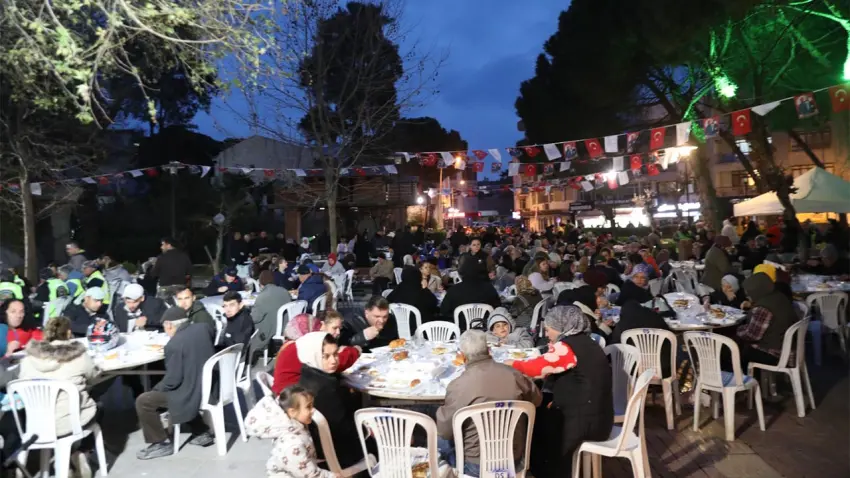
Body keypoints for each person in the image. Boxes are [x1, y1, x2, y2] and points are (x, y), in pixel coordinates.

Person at [507, 306, 613, 477]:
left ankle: (542, 468)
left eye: (548, 330)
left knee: (533, 416)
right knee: (541, 406)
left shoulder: (567, 347)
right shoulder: (586, 341)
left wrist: (510, 364)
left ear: (560, 326)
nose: (547, 334)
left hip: (585, 423)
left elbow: (535, 369)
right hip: (599, 415)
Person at [436, 330, 542, 476]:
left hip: (476, 465)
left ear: (462, 356)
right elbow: (537, 399)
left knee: (439, 440)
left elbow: (445, 431)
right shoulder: (513, 374)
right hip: (513, 459)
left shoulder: (458, 385)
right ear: (489, 350)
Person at [135, 310, 216, 459]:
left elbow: (173, 381)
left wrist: (155, 389)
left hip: (190, 391)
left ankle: (160, 442)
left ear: (169, 325)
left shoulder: (174, 345)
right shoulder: (203, 328)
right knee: (179, 387)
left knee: (144, 401)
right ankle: (200, 430)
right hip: (209, 385)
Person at [297, 332, 368, 470]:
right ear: (314, 356)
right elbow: (343, 429)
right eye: (326, 356)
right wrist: (370, 430)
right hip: (340, 453)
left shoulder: (308, 374)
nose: (334, 360)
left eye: (335, 354)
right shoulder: (325, 389)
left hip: (326, 446)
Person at [19, 316, 98, 437]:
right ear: (69, 332)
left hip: (37, 425)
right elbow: (93, 377)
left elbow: (22, 385)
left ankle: (70, 451)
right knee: (99, 406)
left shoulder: (28, 360)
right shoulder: (79, 356)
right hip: (70, 423)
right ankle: (81, 450)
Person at [245, 385, 336, 478]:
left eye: (312, 405)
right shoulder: (293, 443)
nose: (312, 410)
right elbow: (309, 475)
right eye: (308, 407)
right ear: (292, 412)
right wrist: (332, 476)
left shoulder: (295, 427)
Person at [272, 311, 360, 394]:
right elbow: (335, 364)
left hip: (290, 393)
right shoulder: (300, 348)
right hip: (294, 400)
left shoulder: (290, 345)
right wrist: (355, 351)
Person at [735, 272, 797, 368]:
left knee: (735, 349)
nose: (747, 295)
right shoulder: (780, 296)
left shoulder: (763, 308)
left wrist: (737, 330)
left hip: (775, 353)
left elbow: (752, 336)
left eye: (749, 292)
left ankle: (745, 379)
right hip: (788, 348)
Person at [609, 301, 673, 377]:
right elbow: (670, 339)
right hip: (664, 367)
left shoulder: (622, 325)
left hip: (634, 370)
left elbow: (614, 347)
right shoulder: (656, 317)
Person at [440, 258, 501, 325]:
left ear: (461, 273)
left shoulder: (453, 290)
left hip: (461, 330)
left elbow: (444, 311)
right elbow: (498, 308)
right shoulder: (489, 288)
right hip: (486, 329)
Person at [251, 270, 292, 359]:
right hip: (284, 326)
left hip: (268, 332)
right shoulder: (284, 291)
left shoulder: (263, 296)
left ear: (261, 282)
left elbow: (255, 318)